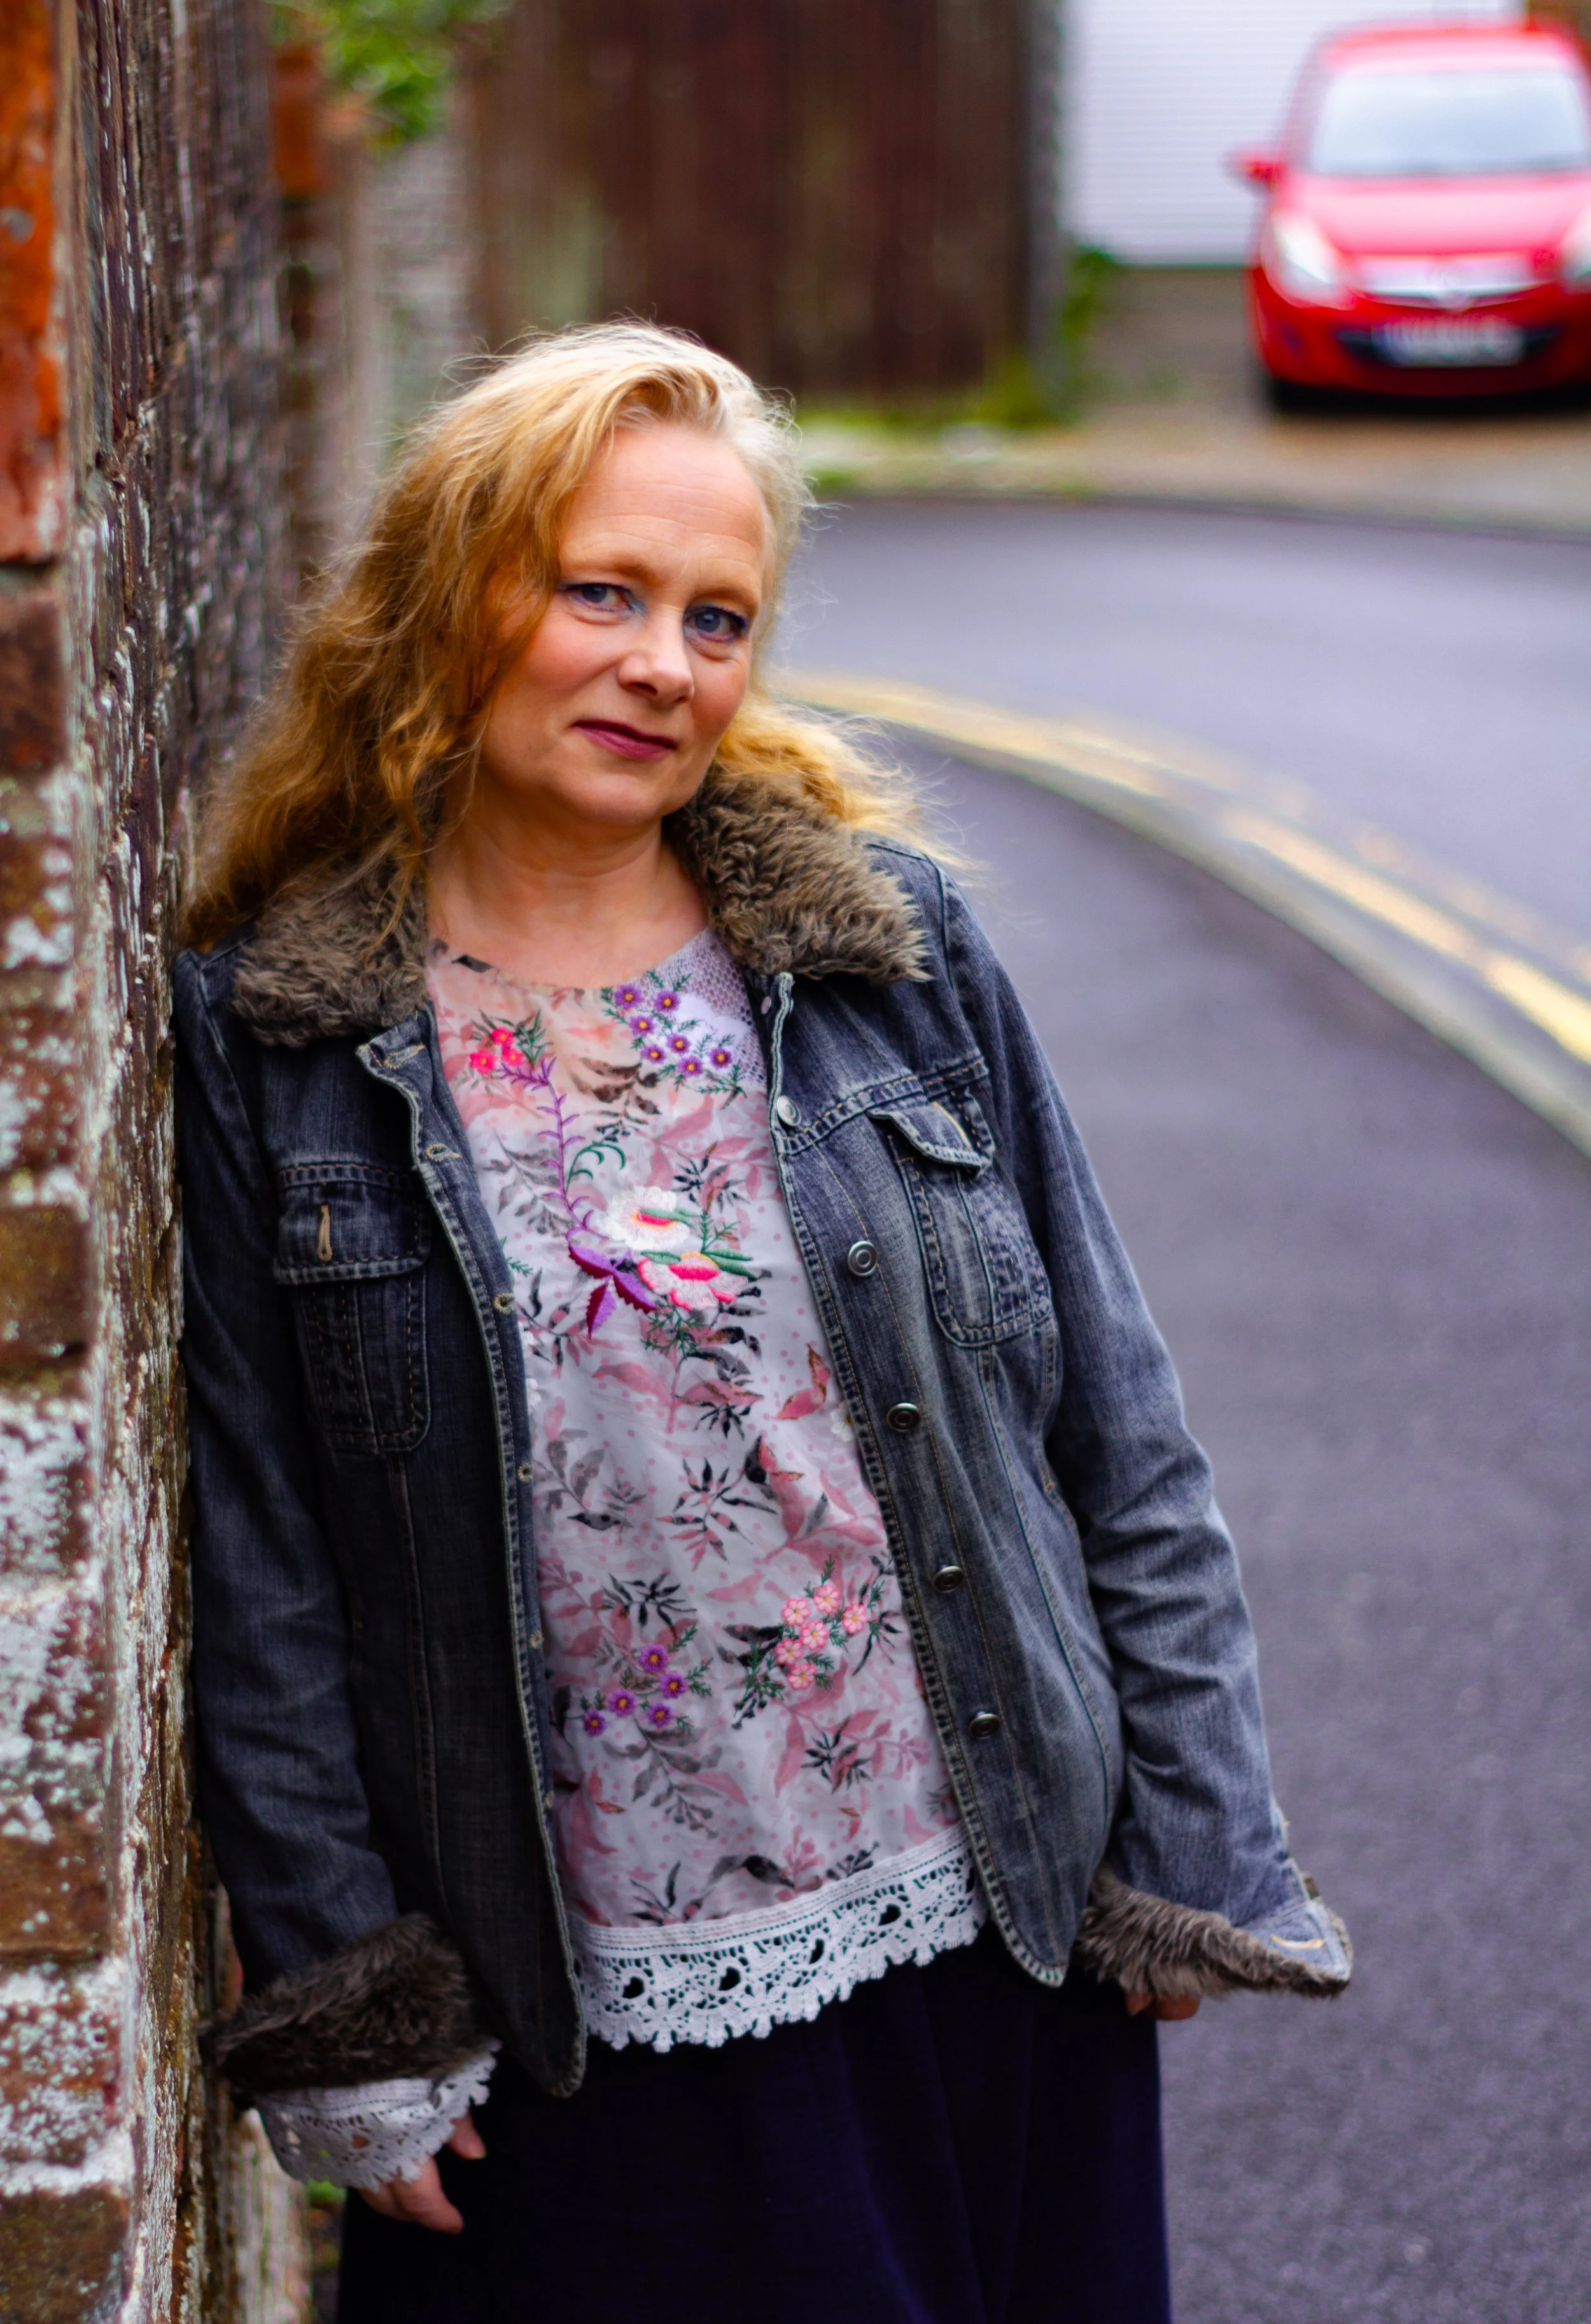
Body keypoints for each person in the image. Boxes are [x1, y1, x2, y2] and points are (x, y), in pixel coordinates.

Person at [176, 323, 1349, 2324]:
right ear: (449, 597)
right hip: (584, 2009)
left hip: (995, 1923)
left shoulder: (887, 953)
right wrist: (345, 1996)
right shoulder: (281, 1035)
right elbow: (260, 1552)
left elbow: (1115, 1428)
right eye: (600, 593)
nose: (664, 662)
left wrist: (1193, 1832)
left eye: (716, 617)